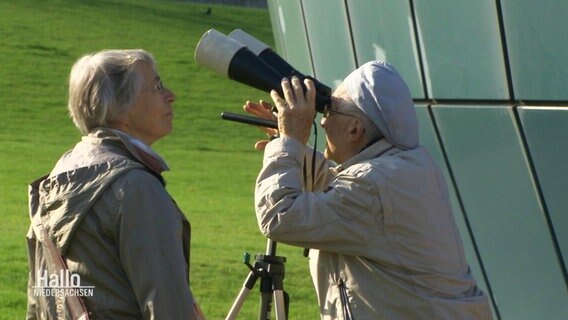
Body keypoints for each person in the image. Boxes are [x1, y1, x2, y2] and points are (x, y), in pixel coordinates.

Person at [245, 61, 493, 319]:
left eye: (330, 110)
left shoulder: (374, 185)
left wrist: (290, 143)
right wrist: (289, 145)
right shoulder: (405, 169)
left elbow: (280, 216)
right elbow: (341, 198)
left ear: (355, 129)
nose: (322, 122)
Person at [26, 49, 205, 319]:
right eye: (156, 87)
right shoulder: (136, 189)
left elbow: (40, 298)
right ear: (122, 109)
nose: (171, 95)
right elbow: (168, 308)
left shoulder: (56, 178)